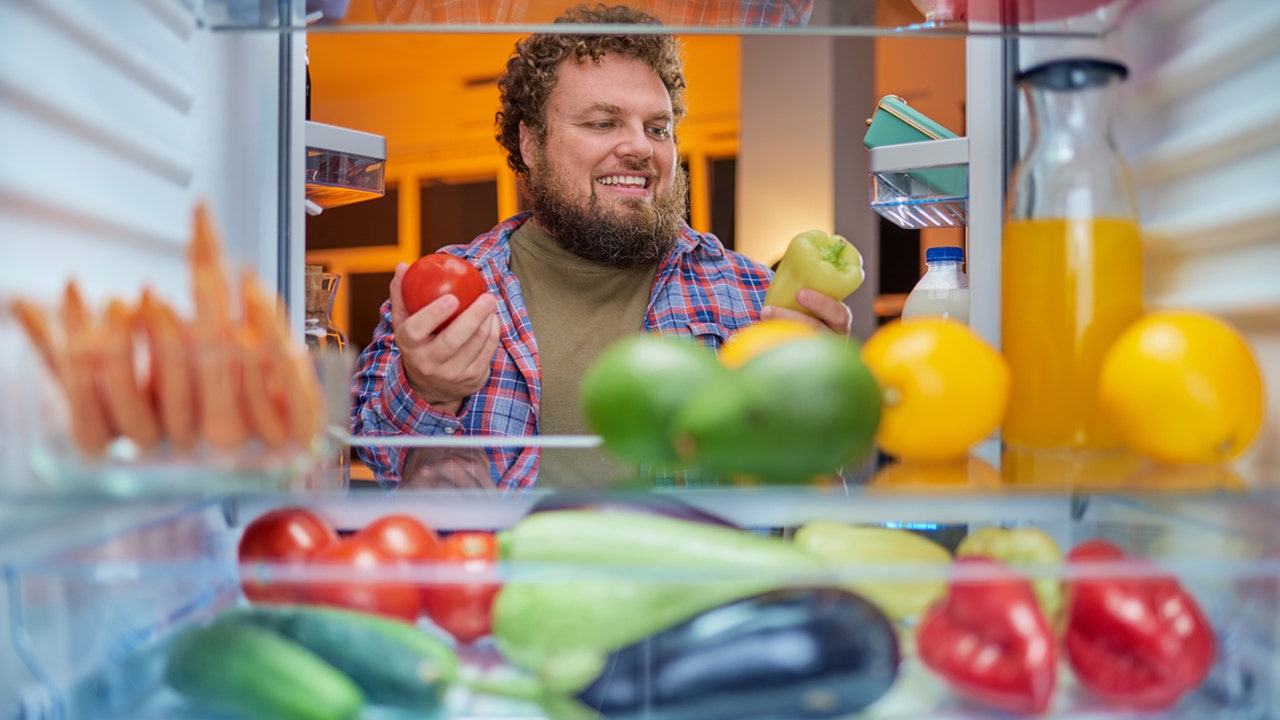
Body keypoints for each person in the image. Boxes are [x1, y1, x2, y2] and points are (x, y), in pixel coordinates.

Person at [351, 3, 853, 491]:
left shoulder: (753, 297)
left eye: (658, 128)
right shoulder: (448, 289)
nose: (640, 146)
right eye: (602, 123)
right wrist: (428, 392)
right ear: (531, 142)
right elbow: (374, 459)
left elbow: (809, 490)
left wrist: (824, 400)